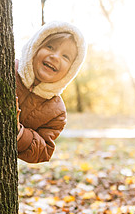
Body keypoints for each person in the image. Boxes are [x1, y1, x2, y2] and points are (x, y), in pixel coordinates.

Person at [16, 21, 87, 163]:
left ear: (71, 70)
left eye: (65, 56)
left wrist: (19, 133)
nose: (55, 57)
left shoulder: (57, 112)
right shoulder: (8, 69)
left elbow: (44, 151)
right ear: (35, 47)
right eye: (50, 47)